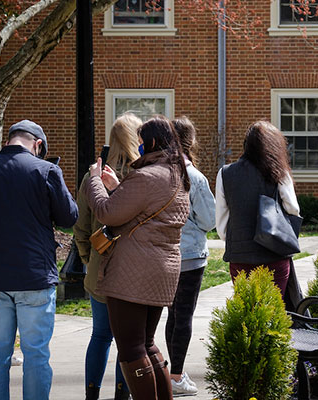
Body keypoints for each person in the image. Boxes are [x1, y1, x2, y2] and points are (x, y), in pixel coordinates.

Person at [0, 120, 79, 400]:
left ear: (8, 141)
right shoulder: (46, 171)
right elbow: (68, 217)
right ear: (38, 144)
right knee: (36, 355)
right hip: (35, 276)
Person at [86, 116, 189, 400]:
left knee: (131, 349)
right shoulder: (177, 174)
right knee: (147, 344)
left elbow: (107, 213)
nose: (140, 147)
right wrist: (119, 186)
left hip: (132, 272)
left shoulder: (146, 175)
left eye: (143, 142)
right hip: (163, 271)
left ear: (153, 142)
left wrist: (95, 182)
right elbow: (142, 211)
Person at [73, 113, 142, 400]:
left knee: (100, 336)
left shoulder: (94, 175)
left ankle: (92, 395)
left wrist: (87, 257)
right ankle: (121, 395)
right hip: (134, 268)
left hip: (99, 266)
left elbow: (80, 223)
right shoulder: (141, 174)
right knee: (127, 340)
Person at [215, 120, 300, 297]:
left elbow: (221, 219)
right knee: (274, 310)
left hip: (239, 256)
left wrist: (235, 239)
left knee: (246, 310)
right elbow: (293, 208)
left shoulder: (225, 173)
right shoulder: (278, 172)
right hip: (274, 252)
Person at [166, 116, 215, 395]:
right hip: (191, 256)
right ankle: (176, 377)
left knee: (171, 317)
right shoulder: (193, 176)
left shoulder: (158, 171)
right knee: (183, 316)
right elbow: (209, 220)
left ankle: (172, 374)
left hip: (163, 255)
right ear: (191, 141)